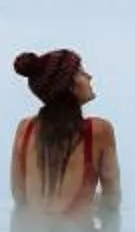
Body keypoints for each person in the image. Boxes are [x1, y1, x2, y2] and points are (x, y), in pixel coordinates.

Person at [9, 48, 120, 220]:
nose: (89, 77)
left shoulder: (25, 129)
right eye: (81, 72)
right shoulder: (99, 131)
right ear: (69, 86)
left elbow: (19, 198)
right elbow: (112, 201)